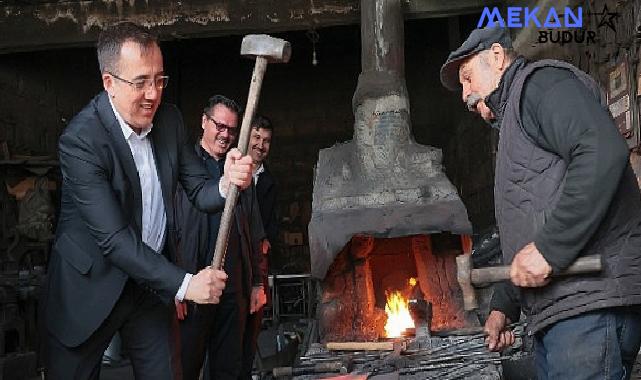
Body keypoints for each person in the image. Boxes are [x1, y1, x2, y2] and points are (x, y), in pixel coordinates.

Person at [42, 22, 254, 380]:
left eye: (159, 79)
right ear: (109, 83)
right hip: (90, 285)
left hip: (148, 287)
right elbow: (114, 240)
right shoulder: (81, 141)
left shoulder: (168, 121)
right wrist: (187, 284)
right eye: (140, 82)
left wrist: (226, 182)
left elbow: (199, 191)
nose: (153, 94)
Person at [440, 26, 641, 379]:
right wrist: (504, 306)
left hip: (588, 309)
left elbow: (602, 151)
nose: (465, 94)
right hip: (561, 315)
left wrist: (549, 249)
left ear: (498, 58)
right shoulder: (514, 122)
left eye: (468, 78)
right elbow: (528, 225)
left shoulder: (540, 85)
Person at [173, 95, 267, 380]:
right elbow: (167, 231)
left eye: (231, 129)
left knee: (229, 369)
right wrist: (174, 287)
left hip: (232, 289)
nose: (225, 135)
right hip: (193, 287)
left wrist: (257, 283)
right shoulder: (182, 168)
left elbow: (255, 232)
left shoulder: (240, 171)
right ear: (204, 122)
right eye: (219, 126)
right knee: (186, 366)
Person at [241, 115, 279, 379]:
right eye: (256, 138)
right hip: (231, 256)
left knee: (253, 320)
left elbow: (273, 223)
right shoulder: (230, 169)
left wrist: (265, 243)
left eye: (266, 141)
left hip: (257, 260)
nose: (260, 145)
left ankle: (246, 370)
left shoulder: (269, 183)